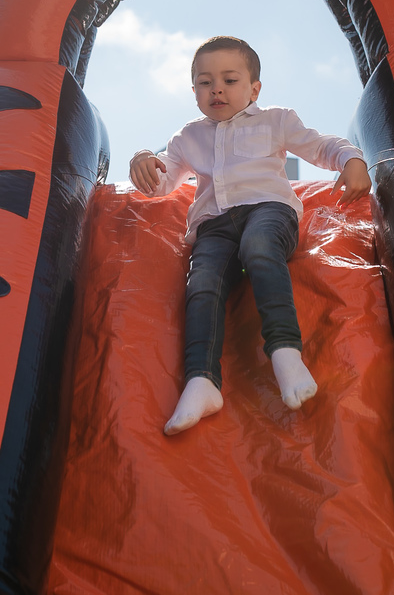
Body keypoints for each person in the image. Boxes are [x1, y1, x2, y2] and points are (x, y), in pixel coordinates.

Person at [130, 36, 371, 435]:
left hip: (268, 210)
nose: (217, 89)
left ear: (254, 88)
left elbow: (320, 145)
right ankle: (201, 380)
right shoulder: (188, 136)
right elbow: (161, 183)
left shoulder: (275, 120)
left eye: (229, 79)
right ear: (194, 91)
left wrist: (352, 158)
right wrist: (143, 159)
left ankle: (285, 353)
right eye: (205, 82)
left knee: (258, 248)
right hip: (213, 224)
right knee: (202, 283)